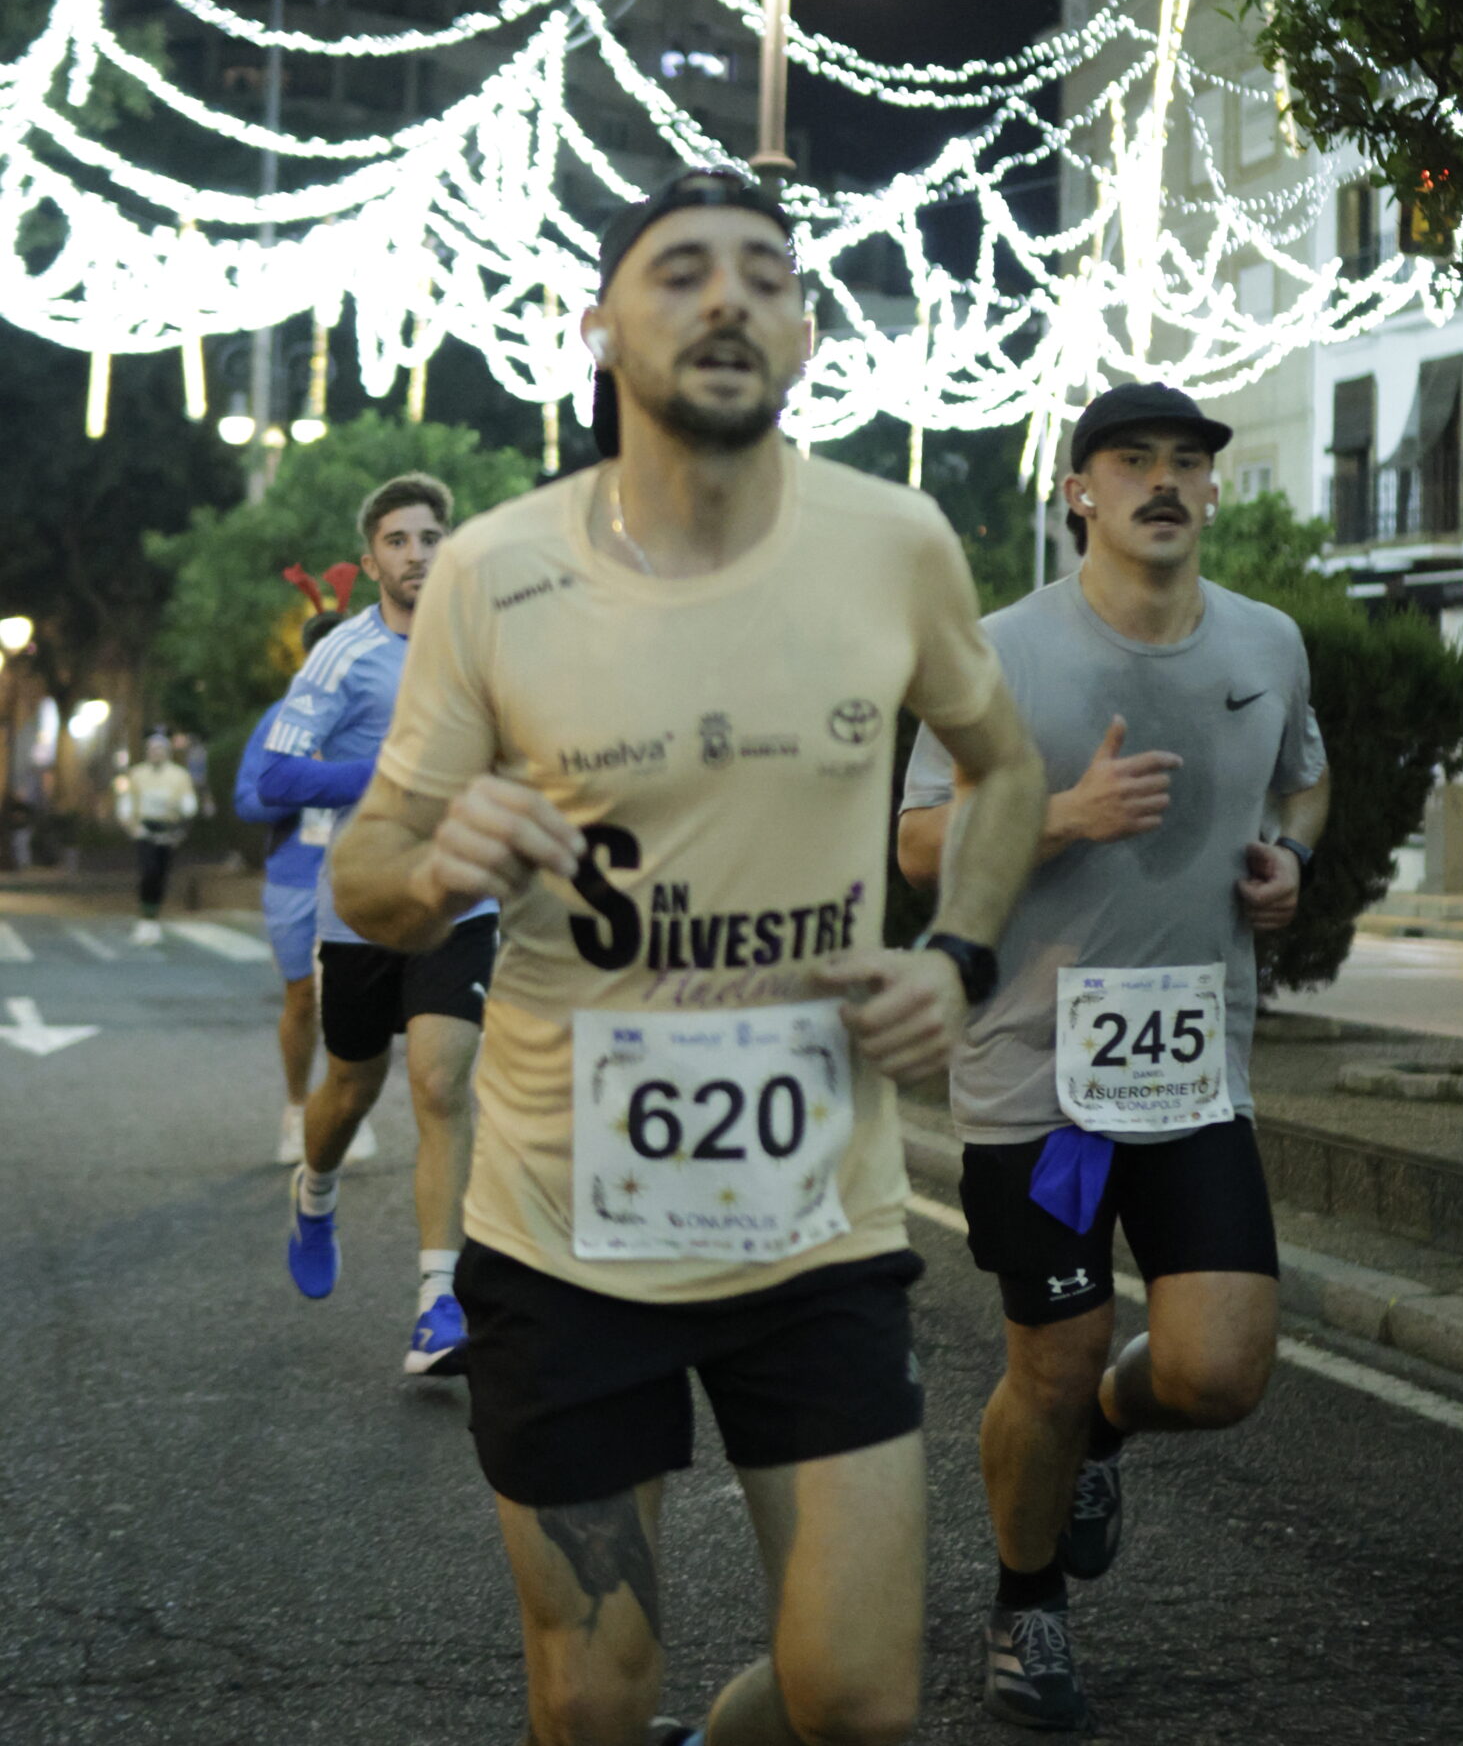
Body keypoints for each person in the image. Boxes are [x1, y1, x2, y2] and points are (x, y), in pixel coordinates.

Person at [330, 168, 1046, 1746]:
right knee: (593, 1704)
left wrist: (958, 957)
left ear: (802, 335)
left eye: (764, 276)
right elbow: (365, 874)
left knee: (855, 1702)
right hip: (560, 1230)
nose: (726, 297)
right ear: (599, 327)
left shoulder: (893, 543)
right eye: (677, 272)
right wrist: (435, 869)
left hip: (815, 1220)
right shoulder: (495, 571)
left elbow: (1004, 769)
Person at [898, 380, 1331, 1733]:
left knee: (1217, 1371)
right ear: (1078, 492)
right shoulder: (997, 652)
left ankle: (1104, 1426)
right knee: (1050, 1351)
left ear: (1211, 488)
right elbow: (917, 843)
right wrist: (1060, 815)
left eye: (1186, 461)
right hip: (1039, 1079)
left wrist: (1291, 854)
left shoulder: (1265, 641)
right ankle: (1026, 1603)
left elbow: (1304, 774)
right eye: (1132, 460)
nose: (1164, 480)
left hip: (1194, 1071)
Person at [265, 473, 496, 1379]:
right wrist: (391, 776)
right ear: (371, 562)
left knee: (440, 1084)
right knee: (351, 1086)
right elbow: (276, 775)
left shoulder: (482, 640)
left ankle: (439, 1304)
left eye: (430, 537)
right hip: (361, 907)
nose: (416, 554)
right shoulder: (343, 655)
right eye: (397, 541)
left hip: (461, 902)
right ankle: (315, 1187)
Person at [233, 602, 376, 1168]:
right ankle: (297, 1108)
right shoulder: (281, 719)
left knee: (356, 997)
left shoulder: (379, 715)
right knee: (302, 997)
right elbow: (249, 800)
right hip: (296, 878)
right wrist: (308, 780)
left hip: (360, 872)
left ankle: (346, 1108)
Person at [116, 731, 199, 945]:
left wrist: (181, 825)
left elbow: (188, 806)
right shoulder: (137, 774)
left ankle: (154, 918)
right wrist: (132, 827)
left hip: (167, 830)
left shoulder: (179, 776)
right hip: (145, 830)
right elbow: (127, 805)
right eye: (152, 749)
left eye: (160, 749)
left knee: (161, 874)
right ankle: (145, 918)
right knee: (148, 872)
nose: (156, 753)